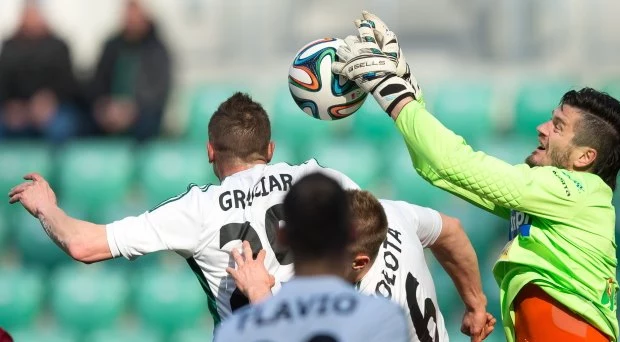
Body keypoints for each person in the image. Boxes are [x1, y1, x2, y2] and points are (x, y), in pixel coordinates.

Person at [331, 11, 620, 342]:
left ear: (585, 157)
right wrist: (407, 88)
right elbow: (439, 171)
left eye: (558, 126)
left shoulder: (575, 191)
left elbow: (454, 163)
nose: (543, 128)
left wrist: (390, 90)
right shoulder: (552, 199)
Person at [8, 92, 359, 337]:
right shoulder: (317, 179)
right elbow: (386, 227)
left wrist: (46, 207)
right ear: (270, 149)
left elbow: (83, 246)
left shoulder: (197, 209)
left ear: (210, 152)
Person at [228, 189, 497, 342]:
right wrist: (475, 304)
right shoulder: (392, 215)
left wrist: (258, 293)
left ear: (359, 262)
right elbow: (452, 231)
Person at [213, 173, 409, 342]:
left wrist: (257, 292)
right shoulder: (383, 316)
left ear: (282, 237)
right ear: (349, 235)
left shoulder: (234, 330)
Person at [88, 0, 171, 142]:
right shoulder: (111, 46)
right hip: (110, 110)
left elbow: (159, 91)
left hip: (143, 113)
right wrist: (104, 106)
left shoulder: (157, 49)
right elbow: (97, 82)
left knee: (147, 124)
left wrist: (131, 110)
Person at [0, 0, 80, 143]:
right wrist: (12, 106)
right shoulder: (9, 47)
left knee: (61, 126)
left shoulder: (59, 46)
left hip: (54, 108)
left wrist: (49, 100)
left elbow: (70, 85)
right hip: (17, 109)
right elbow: (3, 83)